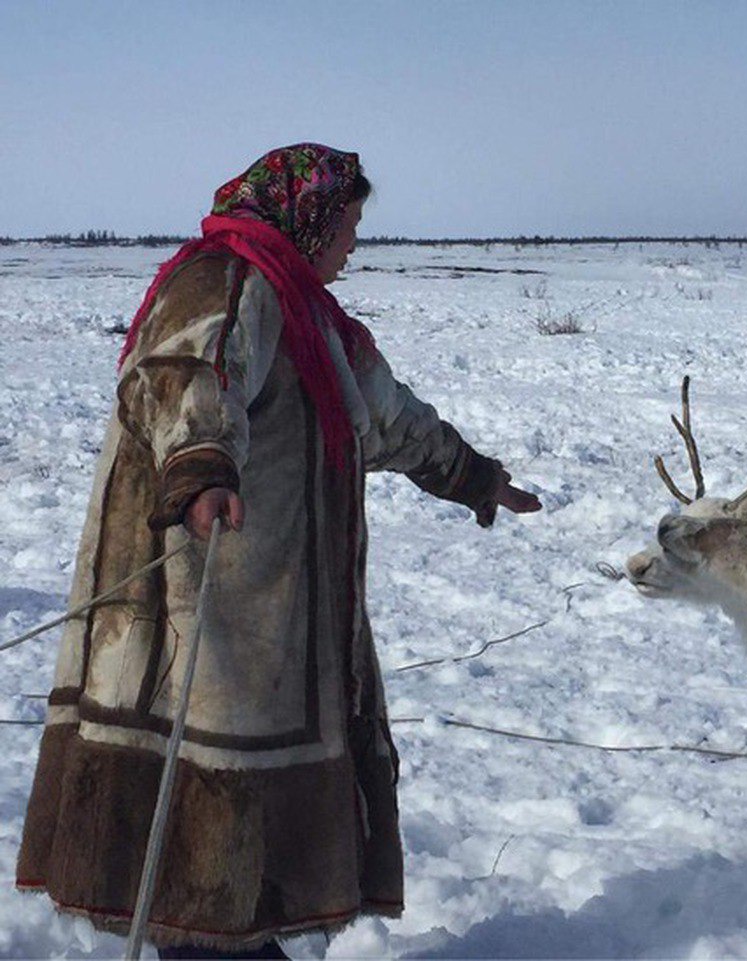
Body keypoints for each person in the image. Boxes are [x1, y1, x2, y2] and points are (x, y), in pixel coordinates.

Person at [15, 143, 541, 957]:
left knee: (236, 834)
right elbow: (186, 378)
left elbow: (391, 421)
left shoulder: (311, 317)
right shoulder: (226, 282)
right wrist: (200, 467)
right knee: (195, 803)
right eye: (352, 223)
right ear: (313, 217)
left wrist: (472, 476)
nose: (356, 243)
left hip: (266, 615)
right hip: (195, 606)